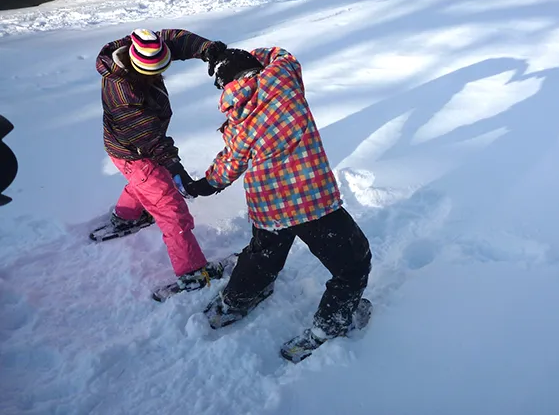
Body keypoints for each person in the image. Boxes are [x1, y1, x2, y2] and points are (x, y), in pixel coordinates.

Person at [185, 47, 372, 358]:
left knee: (264, 254)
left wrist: (205, 184)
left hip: (268, 204)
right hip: (312, 202)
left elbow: (229, 165)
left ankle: (235, 302)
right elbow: (281, 54)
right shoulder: (282, 81)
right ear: (255, 66)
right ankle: (332, 323)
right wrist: (240, 53)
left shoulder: (236, 119)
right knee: (354, 264)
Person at [97, 28, 229, 294]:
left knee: (147, 181)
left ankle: (126, 216)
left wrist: (207, 48)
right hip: (135, 150)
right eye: (153, 72)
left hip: (131, 150)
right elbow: (149, 137)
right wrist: (174, 164)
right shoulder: (124, 93)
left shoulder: (139, 45)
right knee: (171, 210)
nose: (159, 75)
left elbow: (175, 40)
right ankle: (191, 271)